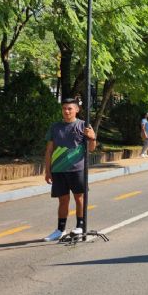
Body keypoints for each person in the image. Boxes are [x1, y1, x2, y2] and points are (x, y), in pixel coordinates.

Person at [43, 97, 98, 241]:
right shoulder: (55, 127)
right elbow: (49, 150)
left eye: (70, 108)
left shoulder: (83, 125)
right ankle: (60, 229)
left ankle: (80, 226)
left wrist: (92, 138)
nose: (66, 111)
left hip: (77, 169)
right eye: (64, 108)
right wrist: (48, 170)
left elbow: (91, 149)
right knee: (62, 200)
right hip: (59, 170)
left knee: (79, 198)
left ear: (77, 110)